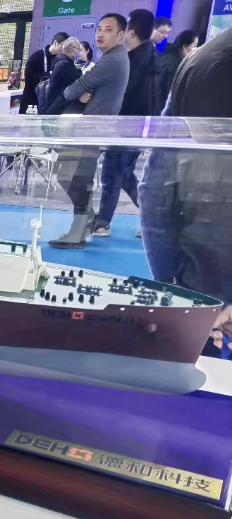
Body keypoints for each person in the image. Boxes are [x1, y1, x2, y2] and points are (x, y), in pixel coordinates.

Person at [139, 26, 232, 355]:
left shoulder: (197, 62)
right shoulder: (200, 64)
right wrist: (171, 284)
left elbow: (156, 186)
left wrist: (170, 284)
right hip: (202, 285)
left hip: (200, 284)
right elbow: (157, 186)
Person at [49, 14, 130, 249]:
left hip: (92, 131)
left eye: (108, 30)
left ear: (121, 35)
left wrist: (78, 92)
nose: (100, 34)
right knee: (69, 175)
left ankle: (80, 229)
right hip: (90, 129)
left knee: (74, 178)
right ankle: (85, 221)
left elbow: (72, 91)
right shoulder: (115, 58)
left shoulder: (112, 61)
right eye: (99, 29)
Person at [92, 9, 159, 237]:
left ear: (130, 32)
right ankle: (152, 219)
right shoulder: (153, 57)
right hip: (141, 126)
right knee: (125, 175)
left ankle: (102, 223)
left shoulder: (129, 62)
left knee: (112, 174)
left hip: (125, 127)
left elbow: (123, 97)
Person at [20, 32, 69, 114]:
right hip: (32, 100)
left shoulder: (61, 60)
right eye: (63, 45)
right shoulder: (37, 57)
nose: (64, 49)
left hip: (48, 102)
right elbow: (29, 79)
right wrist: (48, 75)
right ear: (55, 43)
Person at [157, 29, 198, 114]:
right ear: (185, 47)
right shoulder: (176, 66)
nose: (196, 49)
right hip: (164, 109)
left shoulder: (167, 55)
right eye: (194, 46)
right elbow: (172, 95)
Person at [43, 38, 84, 115]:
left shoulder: (58, 60)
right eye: (79, 50)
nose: (79, 53)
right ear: (73, 50)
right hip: (58, 108)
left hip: (53, 104)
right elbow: (76, 84)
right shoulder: (66, 65)